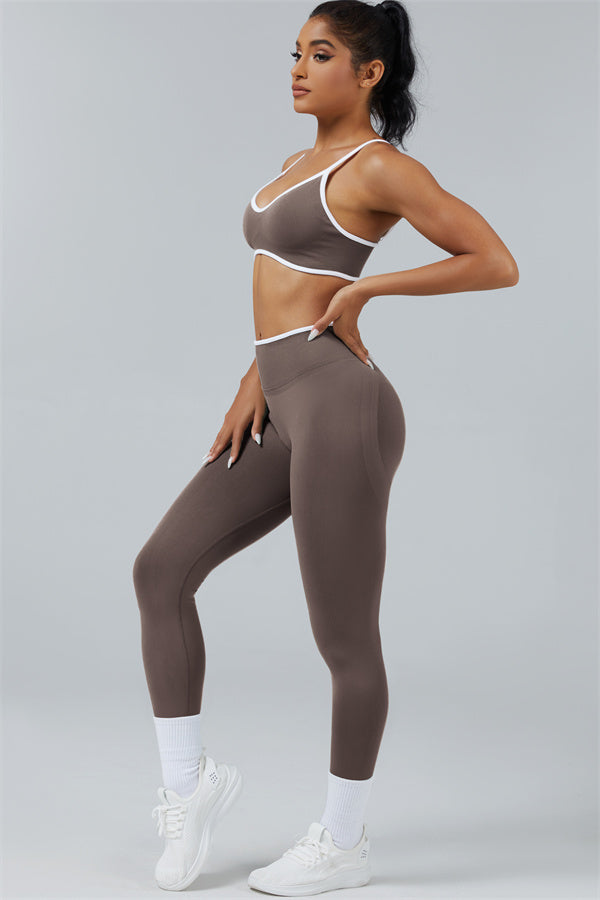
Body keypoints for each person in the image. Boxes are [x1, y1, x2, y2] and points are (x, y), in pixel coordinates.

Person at [132, 0, 519, 894]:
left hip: (343, 405)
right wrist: (254, 374)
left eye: (321, 54)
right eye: (296, 53)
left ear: (369, 72)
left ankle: (343, 840)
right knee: (160, 571)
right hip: (282, 398)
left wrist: (369, 292)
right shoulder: (292, 167)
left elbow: (495, 261)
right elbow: (284, 287)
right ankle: (187, 791)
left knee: (342, 637)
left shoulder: (378, 166)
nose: (299, 69)